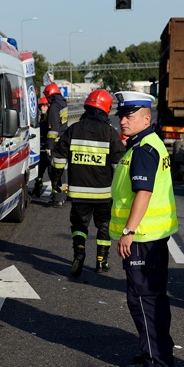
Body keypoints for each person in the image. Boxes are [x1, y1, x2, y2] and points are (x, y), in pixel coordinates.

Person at [109, 91, 178, 367]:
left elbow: (144, 192)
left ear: (146, 118)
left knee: (143, 299)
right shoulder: (148, 144)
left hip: (143, 239)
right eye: (121, 116)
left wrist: (128, 231)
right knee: (153, 298)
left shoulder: (144, 150)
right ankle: (158, 352)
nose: (123, 121)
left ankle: (155, 361)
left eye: (129, 116)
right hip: (151, 237)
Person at [51, 89, 125, 276]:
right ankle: (102, 261)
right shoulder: (110, 133)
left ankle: (80, 251)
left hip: (78, 193)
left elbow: (58, 156)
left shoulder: (74, 129)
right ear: (106, 110)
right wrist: (120, 190)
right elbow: (119, 164)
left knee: (79, 226)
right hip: (104, 193)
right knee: (104, 226)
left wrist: (56, 180)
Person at [42, 83, 68, 207]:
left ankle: (57, 198)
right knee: (61, 170)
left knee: (54, 171)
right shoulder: (62, 103)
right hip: (63, 141)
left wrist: (49, 146)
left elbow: (53, 128)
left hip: (56, 143)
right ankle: (62, 196)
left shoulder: (53, 107)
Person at [32, 96, 50, 197]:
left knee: (52, 172)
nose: (42, 108)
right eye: (41, 106)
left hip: (49, 149)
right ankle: (37, 186)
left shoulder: (50, 119)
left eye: (44, 106)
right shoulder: (42, 118)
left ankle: (58, 194)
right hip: (41, 148)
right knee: (39, 171)